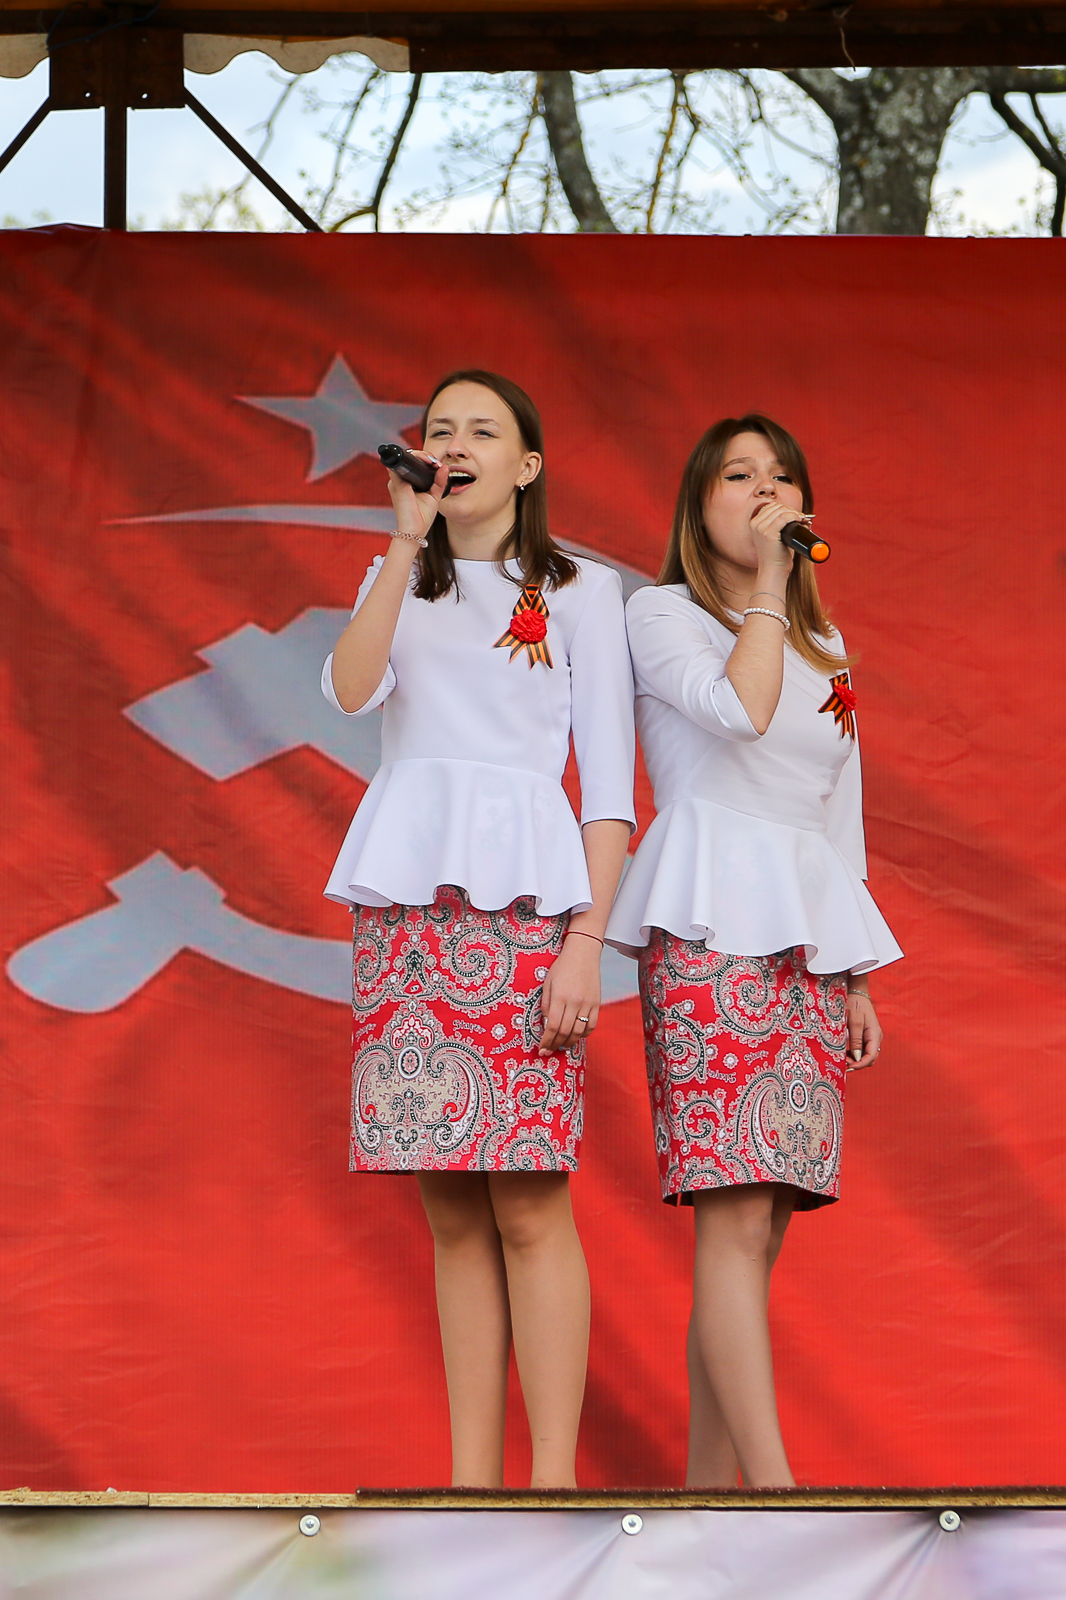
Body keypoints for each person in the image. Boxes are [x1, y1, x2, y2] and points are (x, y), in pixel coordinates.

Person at [322, 370, 634, 1489]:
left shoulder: (583, 592)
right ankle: (470, 1486)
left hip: (528, 916)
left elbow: (608, 789)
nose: (453, 446)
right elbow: (349, 692)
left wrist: (585, 943)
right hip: (408, 917)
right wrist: (403, 544)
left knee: (530, 1198)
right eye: (439, 430)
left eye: (481, 431)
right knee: (449, 1206)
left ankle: (550, 1485)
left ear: (527, 465)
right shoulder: (398, 572)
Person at [606, 413, 902, 1489]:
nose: (766, 492)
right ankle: (778, 1500)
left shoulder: (829, 646)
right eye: (739, 476)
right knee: (731, 1217)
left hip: (807, 941)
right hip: (709, 920)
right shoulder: (661, 615)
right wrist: (774, 586)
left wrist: (854, 970)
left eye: (782, 477)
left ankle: (708, 1497)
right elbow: (739, 708)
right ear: (699, 505)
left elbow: (837, 809)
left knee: (763, 1224)